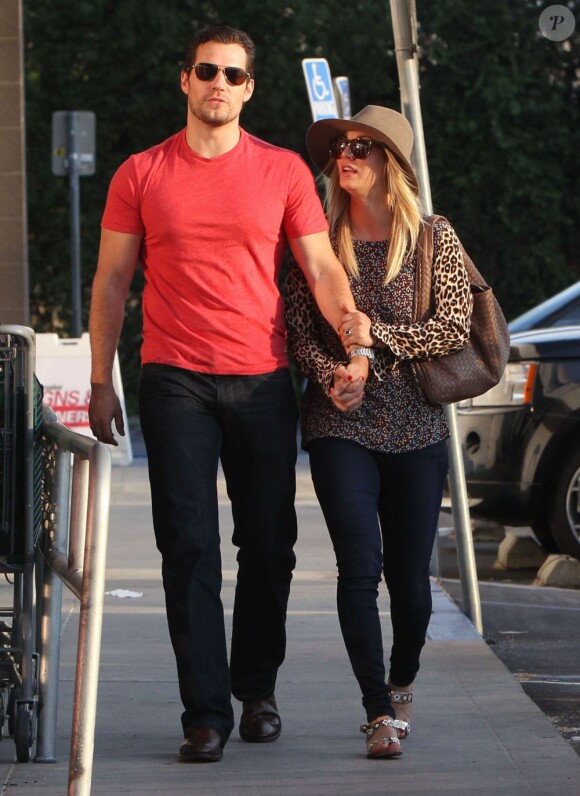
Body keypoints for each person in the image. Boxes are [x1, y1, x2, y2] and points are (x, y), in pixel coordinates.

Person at [88, 25, 357, 764]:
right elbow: (112, 280)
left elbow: (323, 269)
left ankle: (256, 688)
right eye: (206, 70)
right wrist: (98, 380)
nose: (218, 83)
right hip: (173, 376)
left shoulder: (281, 172)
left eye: (233, 75)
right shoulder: (140, 172)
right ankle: (205, 712)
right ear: (185, 81)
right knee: (189, 547)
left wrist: (352, 336)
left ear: (249, 89)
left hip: (263, 377)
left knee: (269, 546)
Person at [285, 105, 474, 759]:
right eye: (341, 145)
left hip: (418, 427)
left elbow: (454, 325)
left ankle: (402, 683)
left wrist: (379, 342)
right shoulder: (316, 235)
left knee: (412, 583)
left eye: (364, 147)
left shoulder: (431, 238)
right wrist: (332, 372)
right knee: (358, 568)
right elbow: (298, 329)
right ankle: (377, 712)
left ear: (390, 163)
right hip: (339, 423)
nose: (348, 155)